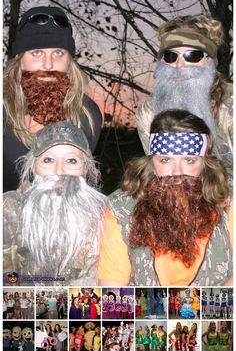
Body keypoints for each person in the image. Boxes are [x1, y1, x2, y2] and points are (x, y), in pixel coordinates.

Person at [98, 109, 233, 286]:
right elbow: (112, 297)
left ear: (204, 165)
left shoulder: (227, 203)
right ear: (151, 163)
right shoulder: (120, 210)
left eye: (189, 161)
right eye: (165, 160)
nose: (176, 173)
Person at [4, 5, 102, 192]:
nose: (48, 64)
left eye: (58, 53)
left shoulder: (86, 115)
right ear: (19, 58)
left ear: (69, 60)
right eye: (36, 53)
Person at [3, 121, 106, 286]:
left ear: (85, 169)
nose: (59, 170)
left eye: (71, 161)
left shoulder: (104, 216)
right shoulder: (8, 208)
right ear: (34, 168)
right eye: (48, 160)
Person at [136, 14, 233, 180]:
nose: (179, 66)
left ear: (212, 62)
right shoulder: (149, 112)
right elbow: (158, 172)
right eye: (171, 56)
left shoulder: (230, 105)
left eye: (192, 56)